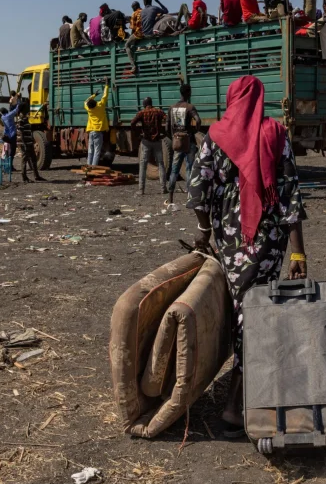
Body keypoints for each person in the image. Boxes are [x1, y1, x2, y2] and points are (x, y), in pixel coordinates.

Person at [187, 75, 307, 435]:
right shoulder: (275, 134)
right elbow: (289, 194)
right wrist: (298, 253)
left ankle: (243, 398)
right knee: (254, 315)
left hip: (229, 242)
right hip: (268, 242)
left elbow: (197, 189)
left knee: (244, 313)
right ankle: (236, 407)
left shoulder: (215, 136)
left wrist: (205, 231)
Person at [167, 84, 201, 203]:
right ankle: (189, 195)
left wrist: (173, 136)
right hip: (188, 141)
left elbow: (167, 126)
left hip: (177, 140)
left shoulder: (172, 107)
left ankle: (170, 197)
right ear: (188, 93)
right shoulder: (190, 107)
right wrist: (194, 131)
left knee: (174, 170)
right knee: (189, 169)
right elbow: (198, 120)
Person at [130, 97, 167, 195]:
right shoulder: (158, 111)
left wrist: (138, 134)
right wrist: (164, 133)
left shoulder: (141, 113)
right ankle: (163, 188)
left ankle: (141, 190)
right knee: (161, 164)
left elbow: (132, 123)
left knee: (143, 164)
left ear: (144, 104)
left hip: (146, 141)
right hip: (157, 141)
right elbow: (167, 119)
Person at [17, 99, 45, 182]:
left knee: (33, 159)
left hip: (28, 143)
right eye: (26, 107)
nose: (28, 109)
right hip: (24, 143)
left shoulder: (25, 118)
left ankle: (36, 176)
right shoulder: (21, 120)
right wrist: (25, 144)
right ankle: (24, 177)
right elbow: (21, 133)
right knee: (24, 160)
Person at [85, 80, 110, 166]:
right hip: (98, 132)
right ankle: (94, 168)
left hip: (91, 131)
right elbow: (105, 96)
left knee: (90, 150)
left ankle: (88, 166)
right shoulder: (100, 106)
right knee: (97, 151)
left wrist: (93, 95)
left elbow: (86, 101)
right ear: (96, 103)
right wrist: (106, 86)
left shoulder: (88, 109)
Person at [0, 102, 22, 170]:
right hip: (12, 135)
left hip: (7, 135)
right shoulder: (9, 115)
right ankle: (10, 166)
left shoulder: (2, 117)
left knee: (8, 151)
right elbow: (16, 110)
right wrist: (18, 101)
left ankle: (8, 165)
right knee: (12, 151)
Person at [123, 1, 143, 72]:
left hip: (138, 33)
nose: (132, 9)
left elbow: (133, 28)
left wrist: (130, 37)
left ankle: (133, 66)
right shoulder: (143, 11)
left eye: (132, 7)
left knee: (127, 45)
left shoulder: (135, 13)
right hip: (146, 32)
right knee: (133, 45)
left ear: (135, 6)